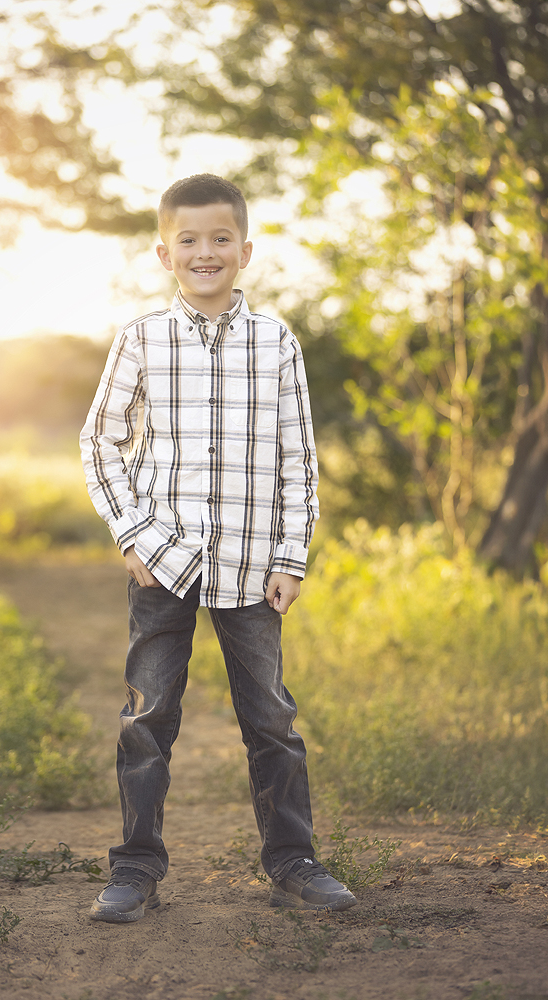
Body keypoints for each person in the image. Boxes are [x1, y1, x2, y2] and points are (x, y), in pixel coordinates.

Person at [79, 173, 357, 923]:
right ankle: (135, 868)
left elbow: (297, 459)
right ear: (165, 252)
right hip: (161, 563)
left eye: (220, 239)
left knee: (270, 719)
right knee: (148, 718)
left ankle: (294, 862)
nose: (206, 252)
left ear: (245, 250)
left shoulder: (276, 343)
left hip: (251, 565)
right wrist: (131, 534)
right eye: (190, 241)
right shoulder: (141, 338)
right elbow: (99, 443)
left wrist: (291, 557)